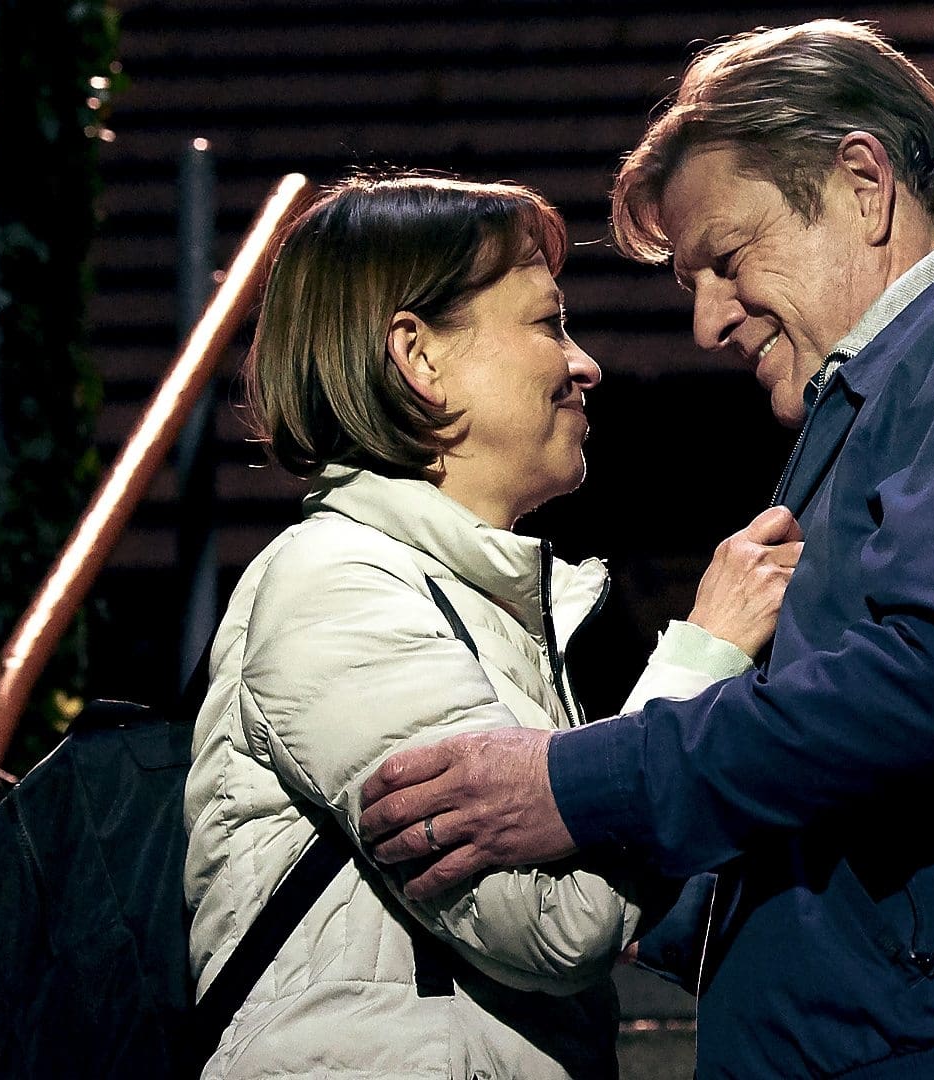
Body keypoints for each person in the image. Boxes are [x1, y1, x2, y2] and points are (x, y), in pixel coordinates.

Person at [359, 20, 934, 1080]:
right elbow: (854, 764)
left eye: (727, 260)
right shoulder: (914, 393)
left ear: (863, 184)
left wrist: (581, 782)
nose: (707, 324)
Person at [182, 173, 800, 1079]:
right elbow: (555, 925)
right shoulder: (341, 588)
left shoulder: (467, 600)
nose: (585, 365)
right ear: (419, 357)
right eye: (550, 323)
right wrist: (705, 652)